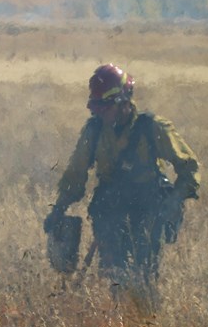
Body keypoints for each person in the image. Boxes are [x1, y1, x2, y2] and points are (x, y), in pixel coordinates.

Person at [43, 63, 200, 289]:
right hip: (110, 211)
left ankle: (143, 316)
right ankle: (118, 318)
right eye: (96, 109)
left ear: (123, 102)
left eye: (104, 108)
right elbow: (75, 175)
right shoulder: (94, 131)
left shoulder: (152, 128)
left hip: (148, 211)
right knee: (115, 273)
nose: (99, 114)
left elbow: (189, 168)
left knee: (143, 274)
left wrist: (174, 202)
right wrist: (58, 208)